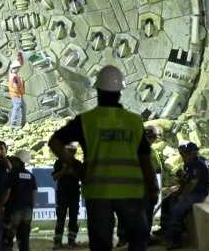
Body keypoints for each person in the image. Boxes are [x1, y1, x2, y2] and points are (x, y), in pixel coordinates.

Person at [48, 65, 159, 251]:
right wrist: (153, 188)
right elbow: (144, 159)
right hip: (130, 194)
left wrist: (75, 165)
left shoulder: (86, 120)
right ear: (120, 92)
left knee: (101, 245)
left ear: (98, 90)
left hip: (98, 192)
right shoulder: (133, 121)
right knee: (139, 237)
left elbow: (55, 142)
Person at [158, 142, 209, 249]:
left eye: (185, 154)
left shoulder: (198, 163)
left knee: (177, 209)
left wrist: (182, 195)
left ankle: (176, 240)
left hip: (198, 193)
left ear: (193, 153)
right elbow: (186, 182)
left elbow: (192, 184)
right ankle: (165, 230)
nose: (183, 156)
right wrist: (178, 191)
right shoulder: (188, 164)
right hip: (191, 192)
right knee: (167, 201)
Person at [2, 150, 37, 251]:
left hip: (14, 210)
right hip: (27, 211)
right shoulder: (31, 176)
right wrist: (31, 207)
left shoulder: (12, 174)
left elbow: (7, 192)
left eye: (14, 160)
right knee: (24, 239)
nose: (12, 161)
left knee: (7, 239)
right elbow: (34, 194)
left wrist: (1, 205)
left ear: (18, 161)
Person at [52, 143, 82, 249]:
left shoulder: (78, 163)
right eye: (69, 150)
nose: (71, 152)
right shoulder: (59, 162)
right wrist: (64, 171)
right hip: (62, 194)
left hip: (74, 195)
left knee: (73, 219)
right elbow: (54, 177)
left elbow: (82, 177)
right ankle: (57, 242)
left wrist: (73, 173)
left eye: (72, 150)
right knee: (60, 219)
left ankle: (71, 241)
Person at [144, 127, 163, 235]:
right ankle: (145, 237)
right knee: (147, 212)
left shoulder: (132, 149)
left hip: (134, 187)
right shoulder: (151, 152)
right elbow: (157, 169)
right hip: (148, 186)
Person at [7, 60, 26, 128]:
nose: (18, 69)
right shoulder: (14, 77)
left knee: (22, 107)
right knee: (17, 108)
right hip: (16, 95)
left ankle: (22, 122)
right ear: (14, 68)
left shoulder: (14, 75)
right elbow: (15, 87)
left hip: (16, 94)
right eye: (17, 67)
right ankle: (14, 123)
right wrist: (20, 91)